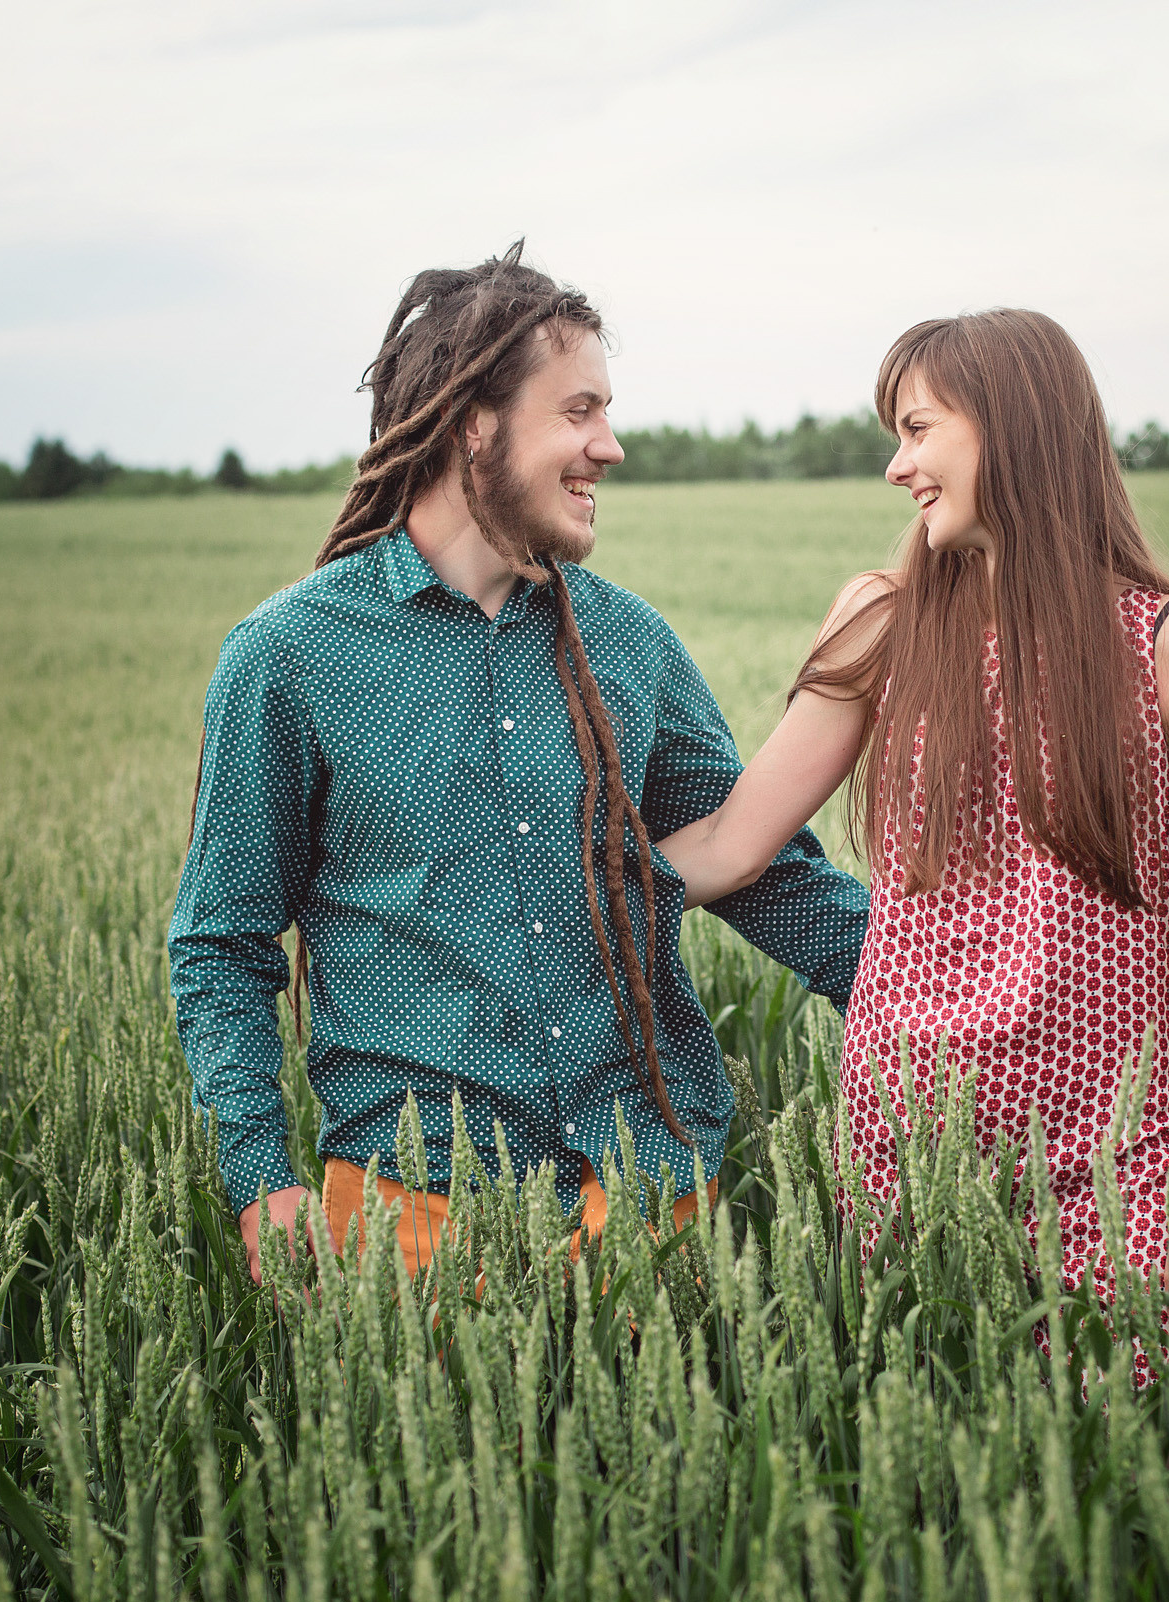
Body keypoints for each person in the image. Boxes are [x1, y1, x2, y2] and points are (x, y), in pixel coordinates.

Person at [170, 244, 869, 1282]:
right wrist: (261, 1176)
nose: (611, 446)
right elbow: (222, 941)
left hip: (652, 1191)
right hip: (415, 1207)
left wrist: (959, 991)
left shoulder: (629, 645)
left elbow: (768, 874)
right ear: (472, 421)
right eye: (579, 410)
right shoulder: (288, 658)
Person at [657, 308, 1169, 1324]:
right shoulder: (883, 619)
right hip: (908, 1128)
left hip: (1111, 1143)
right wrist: (531, 886)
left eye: (918, 428)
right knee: (925, 1430)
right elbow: (729, 841)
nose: (896, 465)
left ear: (1011, 429)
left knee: (1124, 1426)